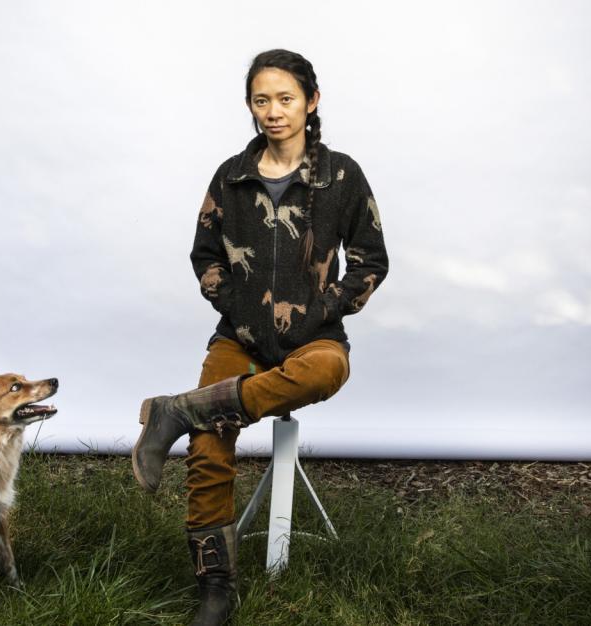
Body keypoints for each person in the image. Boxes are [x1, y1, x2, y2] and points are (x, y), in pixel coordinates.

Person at [132, 49, 389, 626]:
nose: (273, 111)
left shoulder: (342, 175)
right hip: (239, 340)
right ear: (251, 106)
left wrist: (322, 310)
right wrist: (236, 306)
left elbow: (371, 260)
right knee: (209, 447)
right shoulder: (232, 175)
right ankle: (216, 587)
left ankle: (179, 411)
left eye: (286, 98)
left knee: (326, 370)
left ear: (312, 102)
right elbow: (205, 255)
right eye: (261, 100)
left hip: (313, 339)